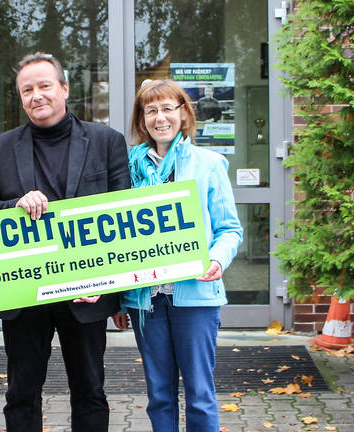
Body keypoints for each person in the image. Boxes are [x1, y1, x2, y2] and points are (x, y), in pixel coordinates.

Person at [0, 52, 131, 432]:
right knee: (22, 392)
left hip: (86, 291)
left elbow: (124, 214)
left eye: (44, 86)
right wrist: (15, 205)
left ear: (64, 88)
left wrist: (111, 283)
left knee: (90, 390)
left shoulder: (106, 141)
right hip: (25, 291)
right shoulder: (1, 148)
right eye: (27, 90)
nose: (36, 96)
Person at [113, 79, 243, 431]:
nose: (160, 118)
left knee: (200, 393)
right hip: (146, 301)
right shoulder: (128, 168)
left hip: (195, 297)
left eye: (168, 108)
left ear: (184, 114)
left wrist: (216, 259)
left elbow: (230, 229)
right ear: (142, 119)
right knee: (159, 394)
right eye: (151, 110)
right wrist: (121, 300)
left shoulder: (209, 164)